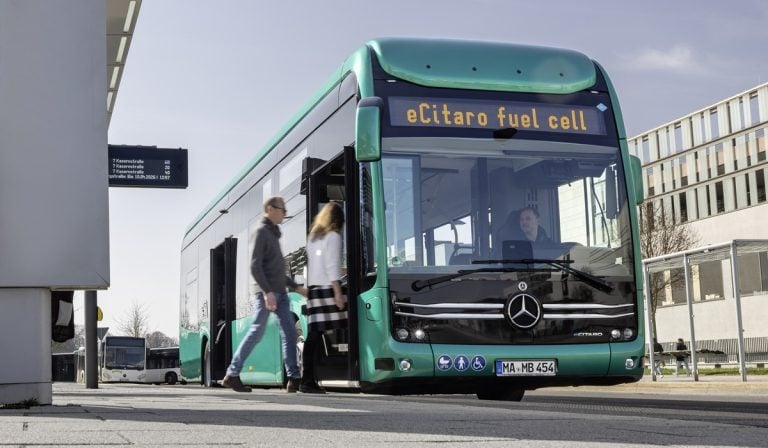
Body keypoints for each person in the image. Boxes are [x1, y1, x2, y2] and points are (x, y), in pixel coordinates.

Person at [222, 196, 308, 393]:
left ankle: (294, 378)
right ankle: (232, 373)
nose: (285, 214)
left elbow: (277, 271)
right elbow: (255, 266)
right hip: (267, 294)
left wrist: (297, 287)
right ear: (270, 209)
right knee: (256, 332)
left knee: (289, 333)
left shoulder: (274, 234)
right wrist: (267, 291)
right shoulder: (261, 232)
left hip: (281, 293)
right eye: (282, 210)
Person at [301, 202, 348, 394]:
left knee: (313, 335)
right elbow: (331, 265)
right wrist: (338, 292)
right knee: (352, 321)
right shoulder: (334, 236)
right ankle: (352, 365)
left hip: (314, 290)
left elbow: (314, 266)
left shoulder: (313, 238)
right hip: (327, 289)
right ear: (338, 219)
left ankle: (307, 380)